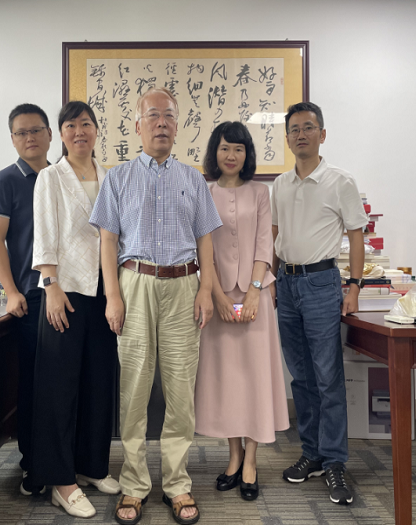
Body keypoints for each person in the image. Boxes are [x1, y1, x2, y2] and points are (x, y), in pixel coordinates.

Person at [90, 87, 222, 525]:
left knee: (180, 390)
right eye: (153, 116)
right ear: (137, 125)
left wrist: (206, 289)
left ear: (178, 125)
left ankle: (177, 483)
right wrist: (112, 295)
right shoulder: (117, 178)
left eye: (168, 116)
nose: (161, 123)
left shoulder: (193, 179)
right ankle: (133, 484)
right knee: (134, 390)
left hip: (184, 285)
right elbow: (108, 242)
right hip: (135, 284)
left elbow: (205, 240)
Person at [271, 102, 368, 505]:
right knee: (301, 377)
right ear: (287, 138)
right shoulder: (279, 184)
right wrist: (270, 281)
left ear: (322, 134)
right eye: (294, 129)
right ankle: (311, 453)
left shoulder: (340, 181)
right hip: (286, 284)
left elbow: (357, 236)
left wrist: (354, 286)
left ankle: (334, 462)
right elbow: (275, 236)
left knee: (328, 377)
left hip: (322, 283)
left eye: (308, 127)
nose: (301, 134)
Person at [29, 101, 120, 518]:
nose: (79, 131)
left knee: (100, 380)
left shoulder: (111, 176)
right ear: (60, 134)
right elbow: (45, 233)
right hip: (64, 291)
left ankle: (91, 466)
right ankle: (61, 481)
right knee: (59, 386)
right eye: (70, 125)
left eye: (86, 123)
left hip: (105, 290)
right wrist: (50, 285)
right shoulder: (50, 177)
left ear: (96, 130)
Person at [194, 121, 289, 502]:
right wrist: (217, 295)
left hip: (256, 298)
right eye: (224, 148)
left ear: (247, 154)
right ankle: (233, 457)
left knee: (255, 379)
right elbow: (202, 248)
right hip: (217, 298)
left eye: (238, 148)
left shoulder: (261, 192)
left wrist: (254, 292)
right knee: (227, 382)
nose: (231, 155)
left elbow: (266, 244)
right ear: (214, 153)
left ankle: (251, 460)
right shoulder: (204, 192)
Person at [0, 103, 52, 497]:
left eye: (36, 130)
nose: (30, 138)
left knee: (60, 384)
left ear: (49, 135)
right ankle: (33, 463)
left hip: (66, 295)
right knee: (34, 384)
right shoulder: (5, 181)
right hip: (31, 298)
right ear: (12, 139)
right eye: (21, 132)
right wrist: (11, 291)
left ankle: (61, 460)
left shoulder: (61, 177)